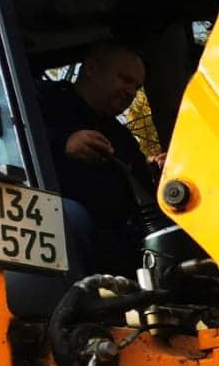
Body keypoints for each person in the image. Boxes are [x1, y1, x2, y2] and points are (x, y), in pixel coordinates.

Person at [36, 42, 154, 278]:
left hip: (115, 236)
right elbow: (10, 140)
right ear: (91, 68)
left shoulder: (121, 137)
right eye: (124, 79)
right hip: (53, 221)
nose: (131, 92)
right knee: (73, 217)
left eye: (137, 87)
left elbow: (144, 188)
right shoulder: (42, 100)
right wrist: (63, 143)